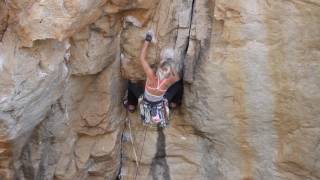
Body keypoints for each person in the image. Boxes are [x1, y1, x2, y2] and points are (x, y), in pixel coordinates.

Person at [123, 33, 183, 127]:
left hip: (146, 101)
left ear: (159, 68)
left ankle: (131, 105)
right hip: (158, 103)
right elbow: (177, 78)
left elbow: (142, 58)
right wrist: (171, 65)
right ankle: (174, 103)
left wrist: (147, 41)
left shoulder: (151, 77)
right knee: (178, 85)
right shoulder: (168, 82)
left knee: (131, 83)